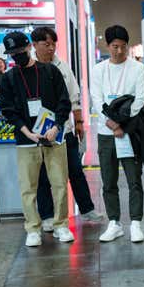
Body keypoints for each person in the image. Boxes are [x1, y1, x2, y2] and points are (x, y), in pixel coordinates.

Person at [0, 31, 72, 247]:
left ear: (29, 47)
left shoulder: (49, 71)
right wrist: (26, 131)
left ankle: (61, 225)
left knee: (59, 182)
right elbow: (7, 109)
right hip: (26, 140)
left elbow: (63, 101)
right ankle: (32, 228)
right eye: (12, 54)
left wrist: (57, 126)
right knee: (28, 186)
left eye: (20, 51)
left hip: (53, 138)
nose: (17, 56)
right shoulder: (8, 78)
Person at [31, 27, 103, 229]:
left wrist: (79, 123)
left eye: (54, 44)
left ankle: (87, 208)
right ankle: (46, 215)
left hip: (65, 129)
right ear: (34, 45)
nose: (51, 48)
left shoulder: (62, 66)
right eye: (47, 44)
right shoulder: (29, 69)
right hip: (39, 132)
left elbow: (74, 97)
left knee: (75, 171)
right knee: (43, 175)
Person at [90, 25, 144, 243]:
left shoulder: (137, 69)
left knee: (134, 178)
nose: (119, 51)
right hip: (106, 133)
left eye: (123, 47)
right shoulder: (98, 70)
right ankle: (114, 222)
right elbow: (96, 100)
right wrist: (111, 123)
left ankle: (136, 222)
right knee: (108, 179)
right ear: (107, 45)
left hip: (130, 131)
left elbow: (140, 99)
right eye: (115, 47)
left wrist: (122, 123)